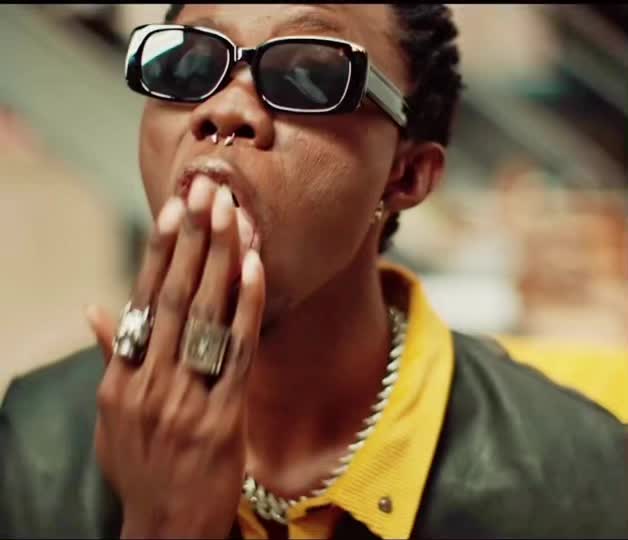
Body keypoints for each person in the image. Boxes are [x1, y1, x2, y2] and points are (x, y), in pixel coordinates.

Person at [0, 4, 626, 539]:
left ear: (406, 175)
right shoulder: (35, 445)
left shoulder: (582, 480)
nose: (224, 108)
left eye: (309, 76)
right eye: (187, 64)